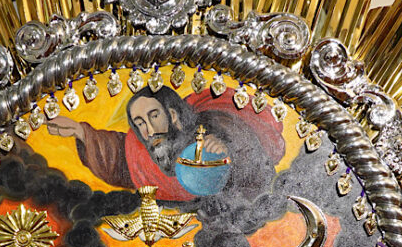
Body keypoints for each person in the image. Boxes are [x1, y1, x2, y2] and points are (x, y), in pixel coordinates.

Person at [46, 86, 285, 202]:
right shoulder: (144, 154)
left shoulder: (212, 124)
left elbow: (249, 152)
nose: (148, 131)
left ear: (172, 115)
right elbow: (120, 156)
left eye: (153, 116)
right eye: (139, 122)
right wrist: (80, 132)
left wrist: (226, 146)